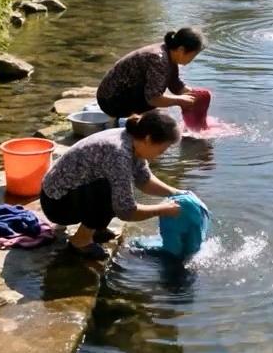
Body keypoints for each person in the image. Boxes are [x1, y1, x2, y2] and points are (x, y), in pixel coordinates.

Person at [40, 110, 182, 259]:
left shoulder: (133, 140)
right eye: (162, 150)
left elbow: (144, 180)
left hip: (72, 193)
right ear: (148, 139)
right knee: (111, 189)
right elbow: (126, 210)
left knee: (119, 186)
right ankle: (80, 241)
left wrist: (176, 193)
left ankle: (96, 229)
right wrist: (162, 210)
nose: (162, 154)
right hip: (57, 205)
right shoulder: (119, 153)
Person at [96, 27, 206, 122]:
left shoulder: (168, 52)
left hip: (118, 94)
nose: (192, 60)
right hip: (110, 100)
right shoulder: (158, 59)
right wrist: (180, 100)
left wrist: (194, 94)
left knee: (160, 107)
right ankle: (129, 121)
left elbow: (175, 83)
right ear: (181, 50)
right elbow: (153, 98)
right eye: (192, 56)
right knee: (160, 118)